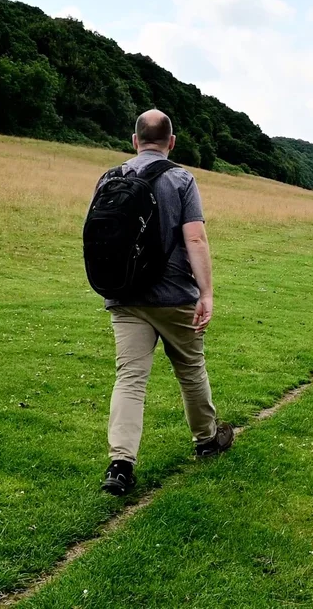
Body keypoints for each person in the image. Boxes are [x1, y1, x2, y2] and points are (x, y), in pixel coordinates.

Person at [98, 109, 234, 495]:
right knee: (190, 370)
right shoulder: (181, 179)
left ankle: (121, 464)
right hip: (174, 295)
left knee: (130, 378)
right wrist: (206, 293)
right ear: (171, 142)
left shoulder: (110, 177)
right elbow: (196, 239)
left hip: (125, 295)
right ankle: (206, 441)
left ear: (135, 140)